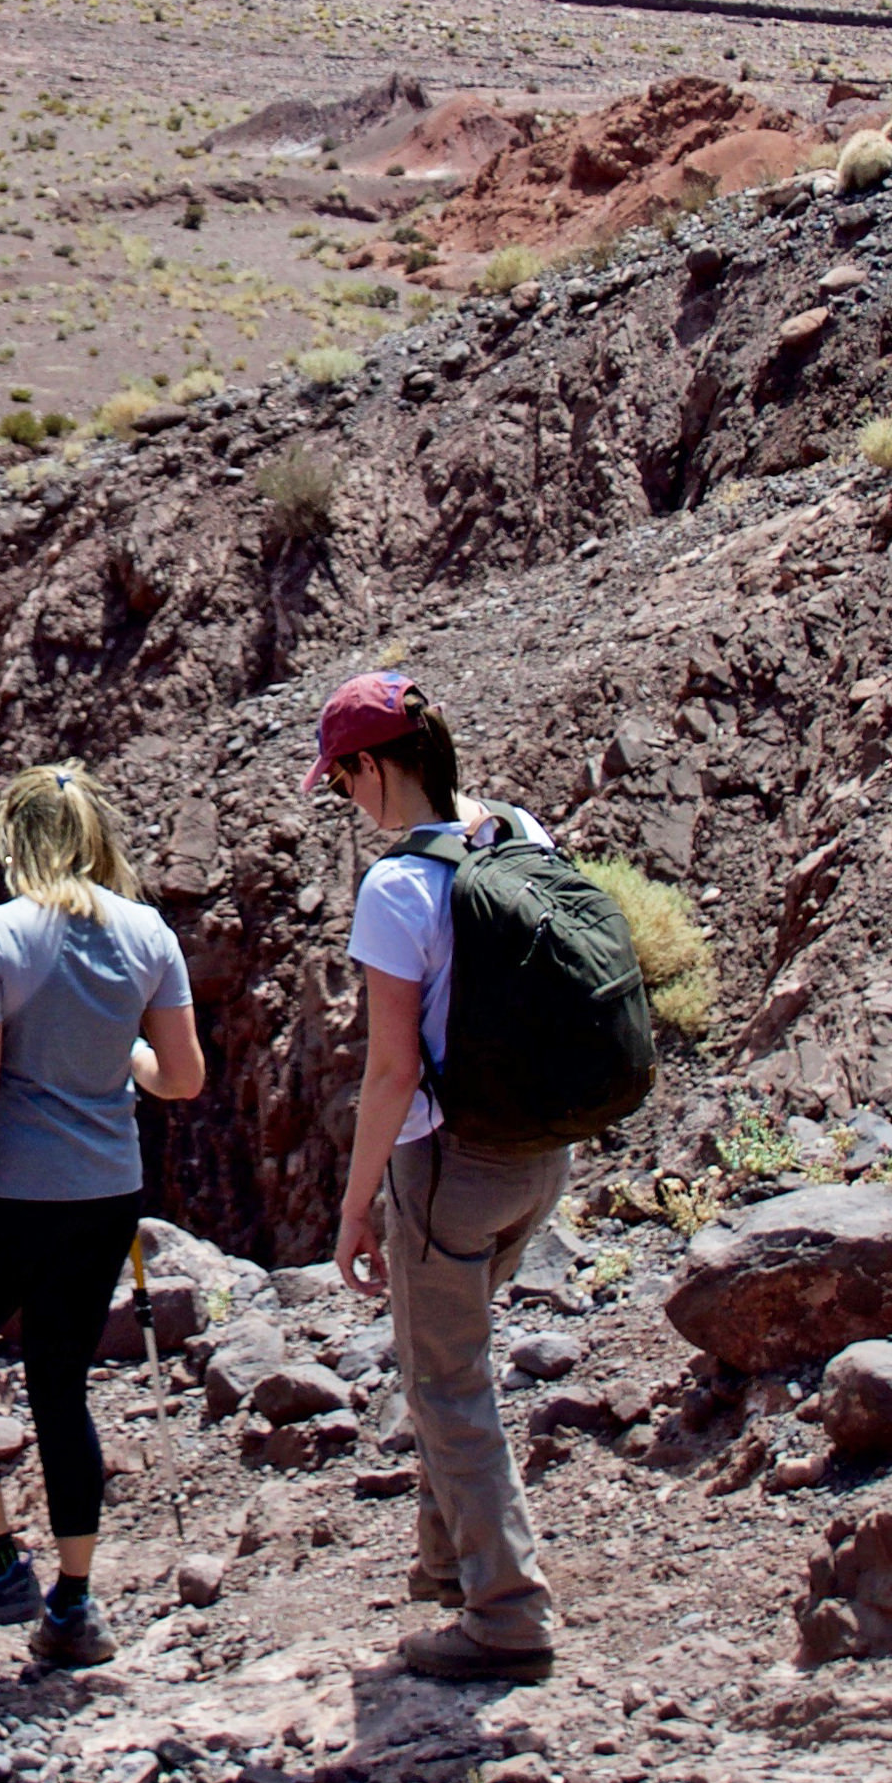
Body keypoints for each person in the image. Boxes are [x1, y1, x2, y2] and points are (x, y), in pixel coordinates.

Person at [0, 763, 205, 1666]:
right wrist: (132, 1058)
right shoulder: (149, 932)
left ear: (15, 842)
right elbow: (182, 1077)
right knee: (60, 1382)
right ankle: (74, 1605)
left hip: (11, 1196)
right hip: (106, 1191)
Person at [316, 670, 566, 1684]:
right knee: (442, 1356)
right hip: (540, 1152)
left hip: (448, 1165)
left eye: (342, 782)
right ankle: (445, 1565)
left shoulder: (396, 884)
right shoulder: (520, 828)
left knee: (446, 1380)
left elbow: (390, 1068)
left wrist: (355, 1203)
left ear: (377, 765)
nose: (346, 803)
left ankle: (506, 1612)